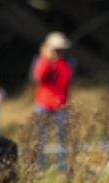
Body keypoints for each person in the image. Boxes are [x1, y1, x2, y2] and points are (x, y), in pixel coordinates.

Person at [31, 32, 74, 172]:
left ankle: (62, 169)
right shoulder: (40, 60)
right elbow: (38, 77)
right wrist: (46, 60)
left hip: (61, 106)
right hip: (43, 104)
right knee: (40, 138)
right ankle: (39, 168)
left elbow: (64, 81)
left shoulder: (67, 62)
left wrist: (57, 62)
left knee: (62, 139)